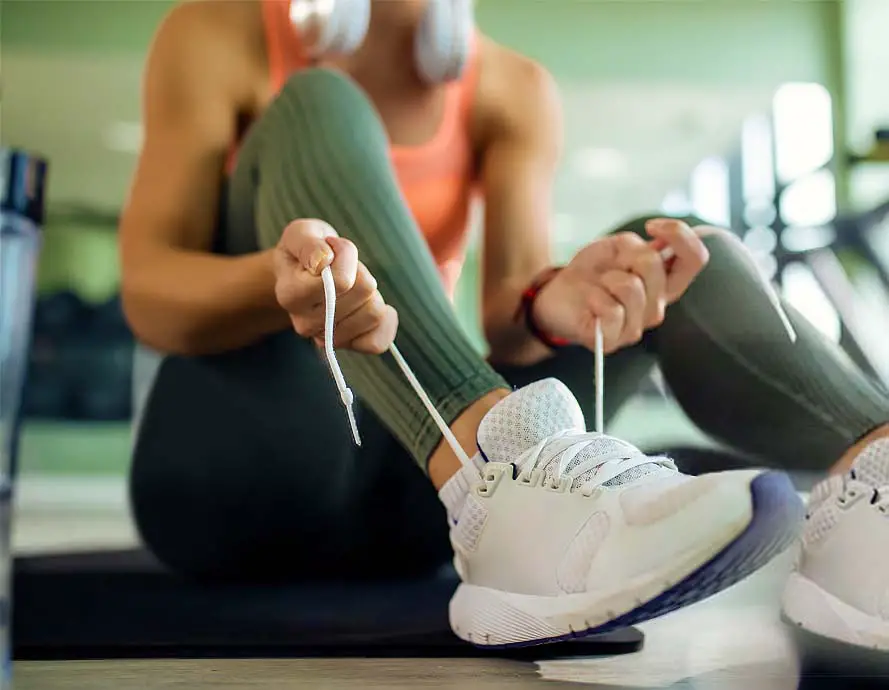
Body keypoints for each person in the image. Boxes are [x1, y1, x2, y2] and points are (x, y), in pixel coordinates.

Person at [120, 0, 888, 649]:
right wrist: (280, 283)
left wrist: (550, 303)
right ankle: (495, 474)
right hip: (233, 480)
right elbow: (149, 293)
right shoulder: (217, 33)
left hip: (414, 505)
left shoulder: (511, 89)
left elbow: (505, 326)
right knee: (320, 98)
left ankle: (875, 490)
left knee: (664, 248)